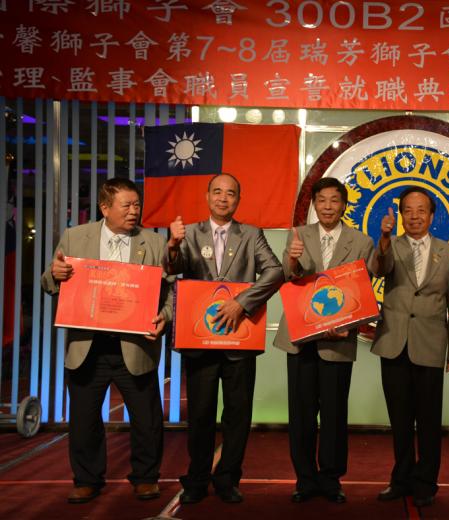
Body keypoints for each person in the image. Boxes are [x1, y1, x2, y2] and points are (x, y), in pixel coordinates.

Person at [41, 178, 172, 504]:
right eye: (126, 205)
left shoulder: (154, 242)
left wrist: (166, 316)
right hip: (88, 346)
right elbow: (49, 280)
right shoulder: (75, 237)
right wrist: (54, 275)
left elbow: (170, 290)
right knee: (84, 420)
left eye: (137, 205)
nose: (134, 211)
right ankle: (86, 479)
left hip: (135, 346)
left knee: (147, 419)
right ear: (105, 207)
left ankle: (145, 478)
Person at [165, 173, 284, 504]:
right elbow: (173, 269)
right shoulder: (188, 233)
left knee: (237, 414)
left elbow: (275, 271)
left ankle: (228, 479)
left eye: (230, 193)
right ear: (207, 196)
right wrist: (172, 246)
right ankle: (196, 480)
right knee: (200, 414)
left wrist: (241, 303)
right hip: (199, 340)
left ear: (238, 200)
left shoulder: (251, 234)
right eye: (217, 192)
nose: (223, 198)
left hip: (238, 340)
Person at [273, 177, 374, 504]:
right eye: (322, 200)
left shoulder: (361, 241)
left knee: (334, 414)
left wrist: (347, 324)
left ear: (344, 205)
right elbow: (288, 277)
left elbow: (363, 289)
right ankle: (304, 479)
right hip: (301, 339)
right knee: (301, 414)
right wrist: (292, 259)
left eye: (334, 200)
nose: (328, 206)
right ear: (314, 204)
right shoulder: (298, 235)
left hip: (338, 340)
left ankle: (331, 479)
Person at [368, 186, 449, 507]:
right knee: (399, 421)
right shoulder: (389, 246)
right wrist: (384, 240)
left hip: (431, 345)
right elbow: (379, 269)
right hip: (394, 342)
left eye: (421, 210)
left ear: (432, 215)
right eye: (407, 210)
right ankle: (401, 480)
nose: (414, 216)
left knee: (428, 421)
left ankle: (426, 483)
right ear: (400, 215)